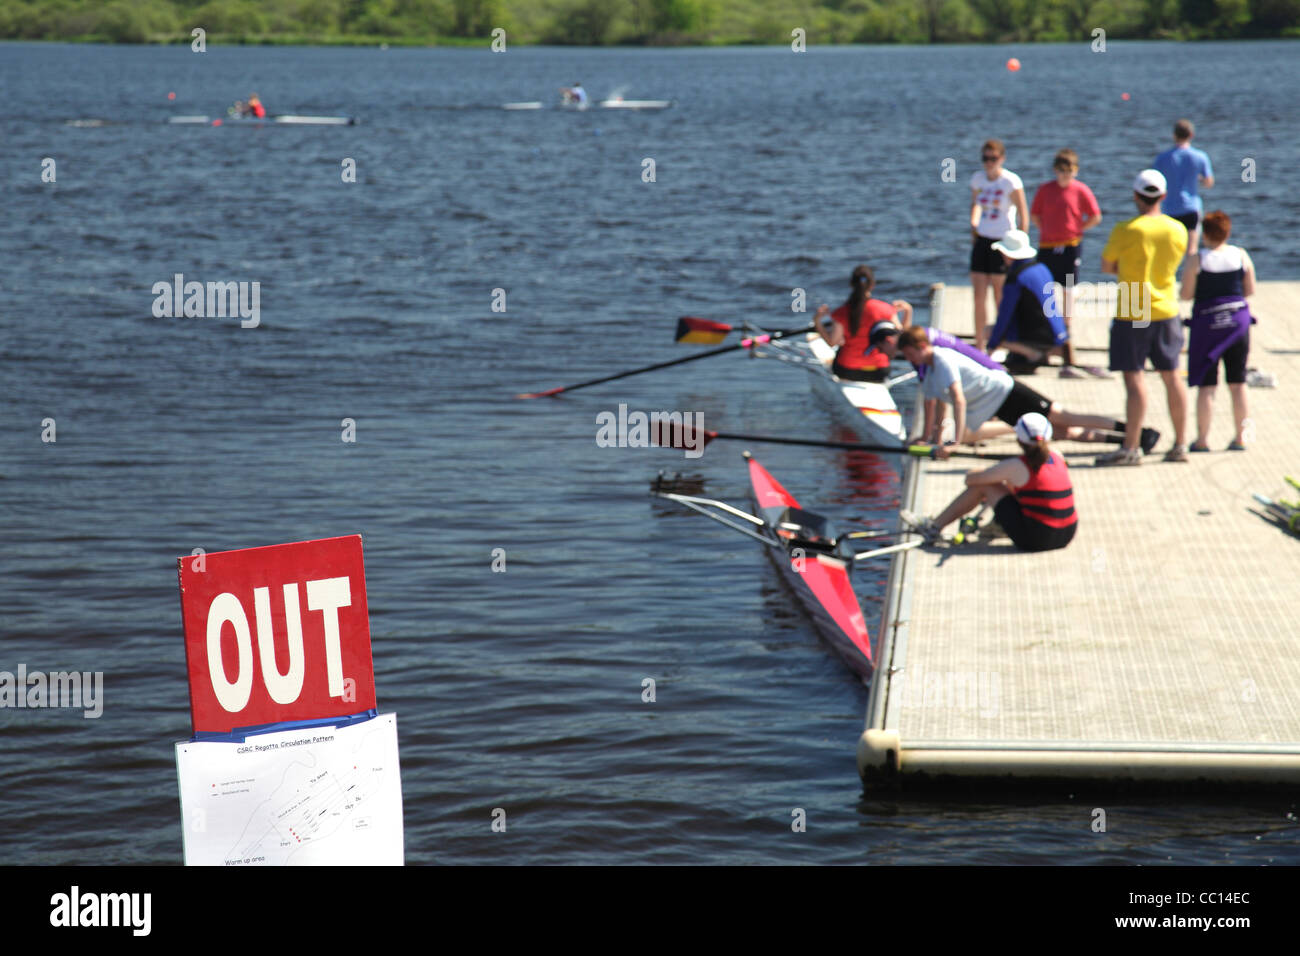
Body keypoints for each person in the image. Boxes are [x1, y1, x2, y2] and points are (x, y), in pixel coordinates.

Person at [895, 326, 1158, 456]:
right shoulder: (927, 371)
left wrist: (952, 443)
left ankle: (1137, 433)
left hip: (1009, 392)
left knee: (1068, 418)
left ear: (921, 346)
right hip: (999, 406)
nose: (910, 360)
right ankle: (1125, 443)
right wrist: (931, 439)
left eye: (909, 354)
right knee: (1060, 433)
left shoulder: (942, 358)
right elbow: (937, 404)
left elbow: (958, 400)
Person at [1097, 169, 1190, 465]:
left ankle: (1132, 447)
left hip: (1134, 304)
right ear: (1163, 196)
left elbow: (1107, 266)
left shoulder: (1126, 229)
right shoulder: (1178, 229)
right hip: (1167, 306)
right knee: (1172, 376)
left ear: (1136, 195)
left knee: (1134, 377)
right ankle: (1180, 444)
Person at [900, 413, 1077, 553]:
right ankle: (997, 526)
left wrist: (979, 473)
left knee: (986, 485)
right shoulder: (1057, 455)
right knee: (1012, 486)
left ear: (1019, 439)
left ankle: (934, 527)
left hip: (1036, 540)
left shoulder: (1016, 466)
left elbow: (971, 480)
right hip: (1067, 535)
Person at [1179, 210, 1257, 451]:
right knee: (1238, 382)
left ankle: (1202, 439)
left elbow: (1186, 294)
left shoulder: (1198, 259)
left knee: (1207, 384)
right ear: (1227, 232)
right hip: (1237, 325)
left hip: (1208, 327)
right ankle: (1242, 437)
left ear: (1205, 234)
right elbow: (1250, 289)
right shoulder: (1240, 255)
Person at [1029, 148, 1106, 378]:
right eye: (1061, 171)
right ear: (1055, 170)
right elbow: (1035, 215)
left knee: (1068, 289)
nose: (1065, 175)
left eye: (1069, 171)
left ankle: (1066, 327)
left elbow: (1095, 216)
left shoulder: (1081, 189)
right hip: (1047, 246)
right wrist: (1045, 230)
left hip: (1071, 246)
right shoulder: (1045, 189)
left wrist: (1078, 229)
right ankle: (1045, 330)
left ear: (1076, 170)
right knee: (1044, 288)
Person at [969, 139, 1028, 353]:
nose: (989, 163)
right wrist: (973, 227)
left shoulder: (1011, 181)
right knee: (978, 296)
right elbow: (975, 205)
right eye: (985, 158)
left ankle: (1001, 341)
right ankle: (979, 344)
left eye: (993, 159)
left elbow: (1023, 213)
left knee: (1000, 296)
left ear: (1002, 159)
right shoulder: (977, 179)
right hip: (982, 239)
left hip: (1004, 242)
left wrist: (1020, 243)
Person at [983, 229, 1071, 373]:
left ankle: (1032, 354)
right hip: (1057, 332)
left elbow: (1004, 315)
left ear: (1007, 254)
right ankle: (1039, 352)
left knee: (988, 331)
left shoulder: (1016, 278)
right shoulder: (1041, 267)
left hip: (1039, 336)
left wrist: (991, 347)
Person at [811, 265, 905, 381]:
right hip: (879, 371)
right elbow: (902, 337)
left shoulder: (841, 312)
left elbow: (832, 342)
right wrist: (908, 311)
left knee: (841, 346)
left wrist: (817, 321)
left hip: (848, 370)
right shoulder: (887, 309)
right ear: (872, 286)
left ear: (851, 285)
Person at [1153, 119, 1214, 255]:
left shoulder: (1162, 158)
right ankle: (1191, 276)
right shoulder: (1200, 157)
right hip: (1191, 208)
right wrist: (1198, 178)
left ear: (1174, 135)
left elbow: (1155, 182)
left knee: (1168, 251)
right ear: (1191, 135)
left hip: (1169, 209)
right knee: (1192, 251)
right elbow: (1209, 183)